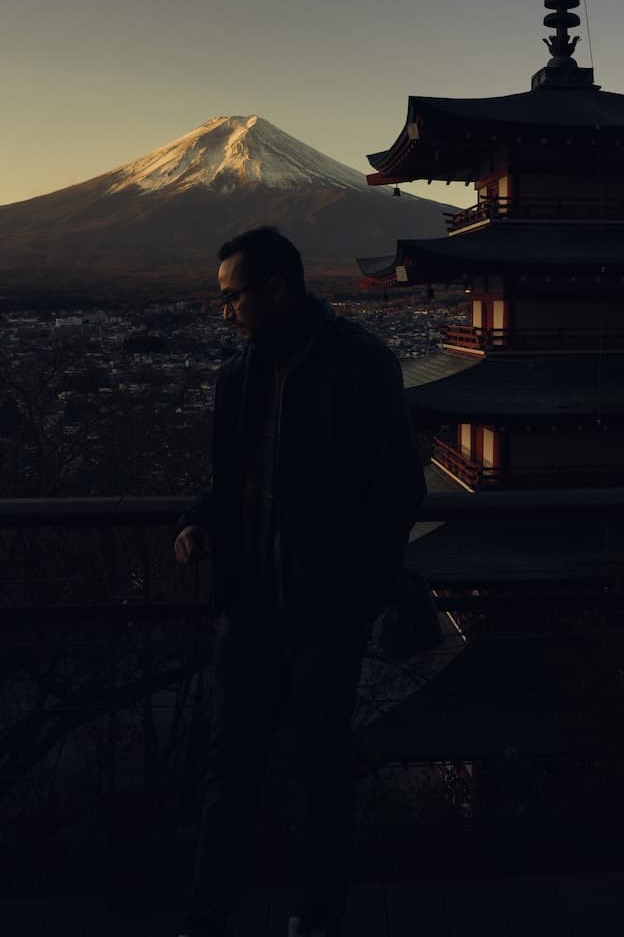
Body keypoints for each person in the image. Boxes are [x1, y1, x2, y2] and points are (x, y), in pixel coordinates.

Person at [173, 226, 426, 937]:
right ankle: (207, 914)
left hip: (324, 610)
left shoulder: (361, 366)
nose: (226, 311)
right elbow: (231, 482)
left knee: (317, 769)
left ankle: (317, 915)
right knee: (230, 769)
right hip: (249, 609)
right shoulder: (238, 375)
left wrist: (357, 595)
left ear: (277, 290)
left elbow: (398, 486)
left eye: (233, 296)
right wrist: (198, 520)